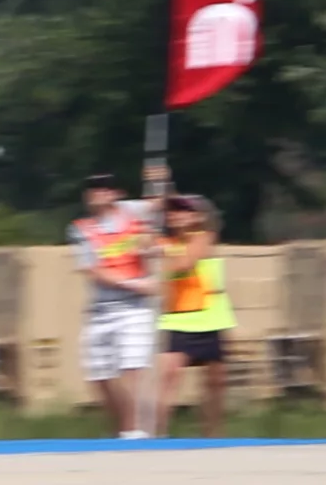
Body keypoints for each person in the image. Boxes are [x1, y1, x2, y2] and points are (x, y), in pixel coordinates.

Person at [68, 172, 159, 438]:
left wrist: (160, 181)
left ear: (116, 193)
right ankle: (122, 428)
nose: (97, 193)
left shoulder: (135, 212)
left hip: (134, 309)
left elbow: (163, 206)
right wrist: (136, 284)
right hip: (102, 310)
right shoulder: (81, 228)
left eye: (104, 188)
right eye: (92, 189)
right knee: (100, 375)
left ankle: (134, 431)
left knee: (132, 367)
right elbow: (93, 270)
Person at [156, 195, 236, 438]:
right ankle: (157, 436)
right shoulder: (162, 242)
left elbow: (186, 263)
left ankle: (212, 436)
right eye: (172, 211)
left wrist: (158, 265)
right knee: (168, 378)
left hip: (212, 317)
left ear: (198, 216)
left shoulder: (203, 238)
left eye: (183, 210)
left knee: (215, 383)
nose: (176, 214)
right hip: (177, 318)